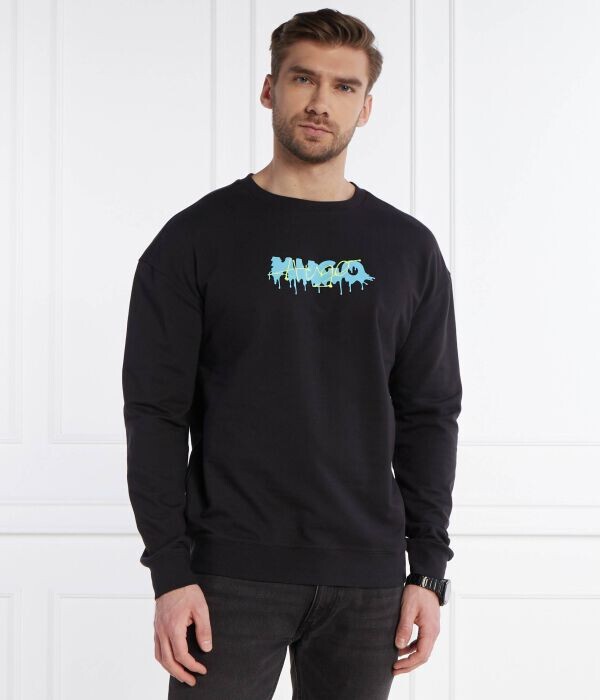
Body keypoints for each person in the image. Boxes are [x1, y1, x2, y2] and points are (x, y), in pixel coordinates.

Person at [121, 8, 462, 700]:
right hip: (227, 577)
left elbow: (429, 413)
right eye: (303, 78)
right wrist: (170, 572)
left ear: (366, 108)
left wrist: (427, 570)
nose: (320, 101)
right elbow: (155, 412)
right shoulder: (195, 240)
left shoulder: (408, 250)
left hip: (368, 581)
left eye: (344, 86)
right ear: (269, 88)